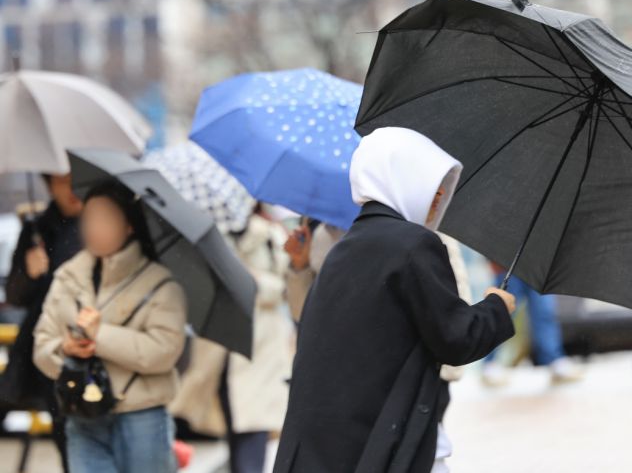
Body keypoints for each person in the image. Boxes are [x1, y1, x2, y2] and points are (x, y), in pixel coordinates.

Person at [273, 127, 516, 473]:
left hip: (333, 447)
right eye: (432, 187)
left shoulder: (345, 249)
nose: (438, 200)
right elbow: (455, 338)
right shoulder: (412, 245)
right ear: (405, 181)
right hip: (386, 444)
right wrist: (497, 307)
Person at [33, 180, 187, 473]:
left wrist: (99, 336)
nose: (92, 227)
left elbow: (164, 352)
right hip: (81, 411)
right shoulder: (68, 277)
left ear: (129, 225)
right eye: (88, 218)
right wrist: (64, 349)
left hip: (142, 416)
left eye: (105, 218)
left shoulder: (160, 282)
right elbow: (41, 345)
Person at [170, 205, 294, 473]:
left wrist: (250, 281)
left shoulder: (271, 237)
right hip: (220, 345)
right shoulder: (211, 236)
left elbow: (284, 287)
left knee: (253, 423)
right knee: (232, 423)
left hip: (260, 345)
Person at [0, 173, 83, 471]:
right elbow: (16, 294)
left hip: (84, 343)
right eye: (62, 182)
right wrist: (30, 272)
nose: (71, 189)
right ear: (50, 185)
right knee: (63, 429)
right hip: (44, 346)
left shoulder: (95, 225)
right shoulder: (37, 228)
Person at [482, 265, 583, 387]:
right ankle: (489, 363)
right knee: (502, 312)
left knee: (544, 313)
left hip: (538, 267)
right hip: (509, 265)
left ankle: (554, 360)